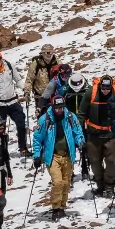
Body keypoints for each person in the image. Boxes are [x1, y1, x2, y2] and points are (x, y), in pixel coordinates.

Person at [32, 91, 85, 219]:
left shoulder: (71, 117)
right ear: (53, 107)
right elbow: (37, 139)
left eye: (61, 107)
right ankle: (55, 208)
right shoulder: (45, 119)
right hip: (53, 156)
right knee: (58, 182)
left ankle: (62, 207)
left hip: (68, 155)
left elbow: (78, 132)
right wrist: (37, 156)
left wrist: (81, 143)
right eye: (57, 108)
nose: (59, 110)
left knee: (66, 183)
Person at [81, 74, 115, 200]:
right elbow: (82, 113)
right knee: (95, 162)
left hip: (111, 135)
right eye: (103, 88)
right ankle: (100, 186)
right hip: (93, 135)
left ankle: (110, 186)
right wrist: (80, 133)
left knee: (111, 162)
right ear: (100, 86)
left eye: (108, 88)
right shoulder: (91, 93)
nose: (105, 90)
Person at [0, 48, 28, 156]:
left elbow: (18, 80)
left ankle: (23, 148)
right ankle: (1, 151)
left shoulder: (9, 66)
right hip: (0, 104)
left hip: (13, 101)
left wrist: (24, 89)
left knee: (21, 123)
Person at [27, 46, 61, 117]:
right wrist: (27, 93)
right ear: (42, 53)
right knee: (42, 118)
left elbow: (63, 75)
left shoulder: (57, 62)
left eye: (51, 52)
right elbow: (29, 79)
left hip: (55, 95)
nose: (49, 55)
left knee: (56, 117)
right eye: (47, 53)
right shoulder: (36, 64)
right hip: (40, 96)